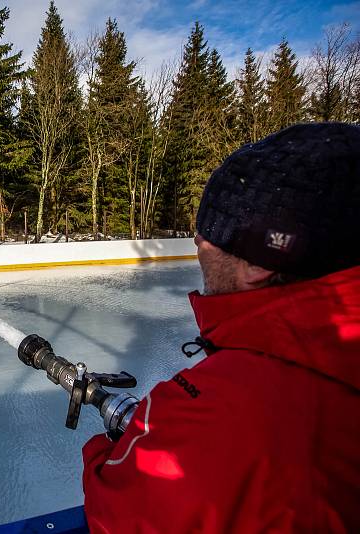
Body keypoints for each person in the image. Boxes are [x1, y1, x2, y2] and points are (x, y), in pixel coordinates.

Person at [81, 122, 360, 533]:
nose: (197, 242)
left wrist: (109, 449)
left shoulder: (226, 416)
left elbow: (119, 513)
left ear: (260, 263)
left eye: (212, 233)